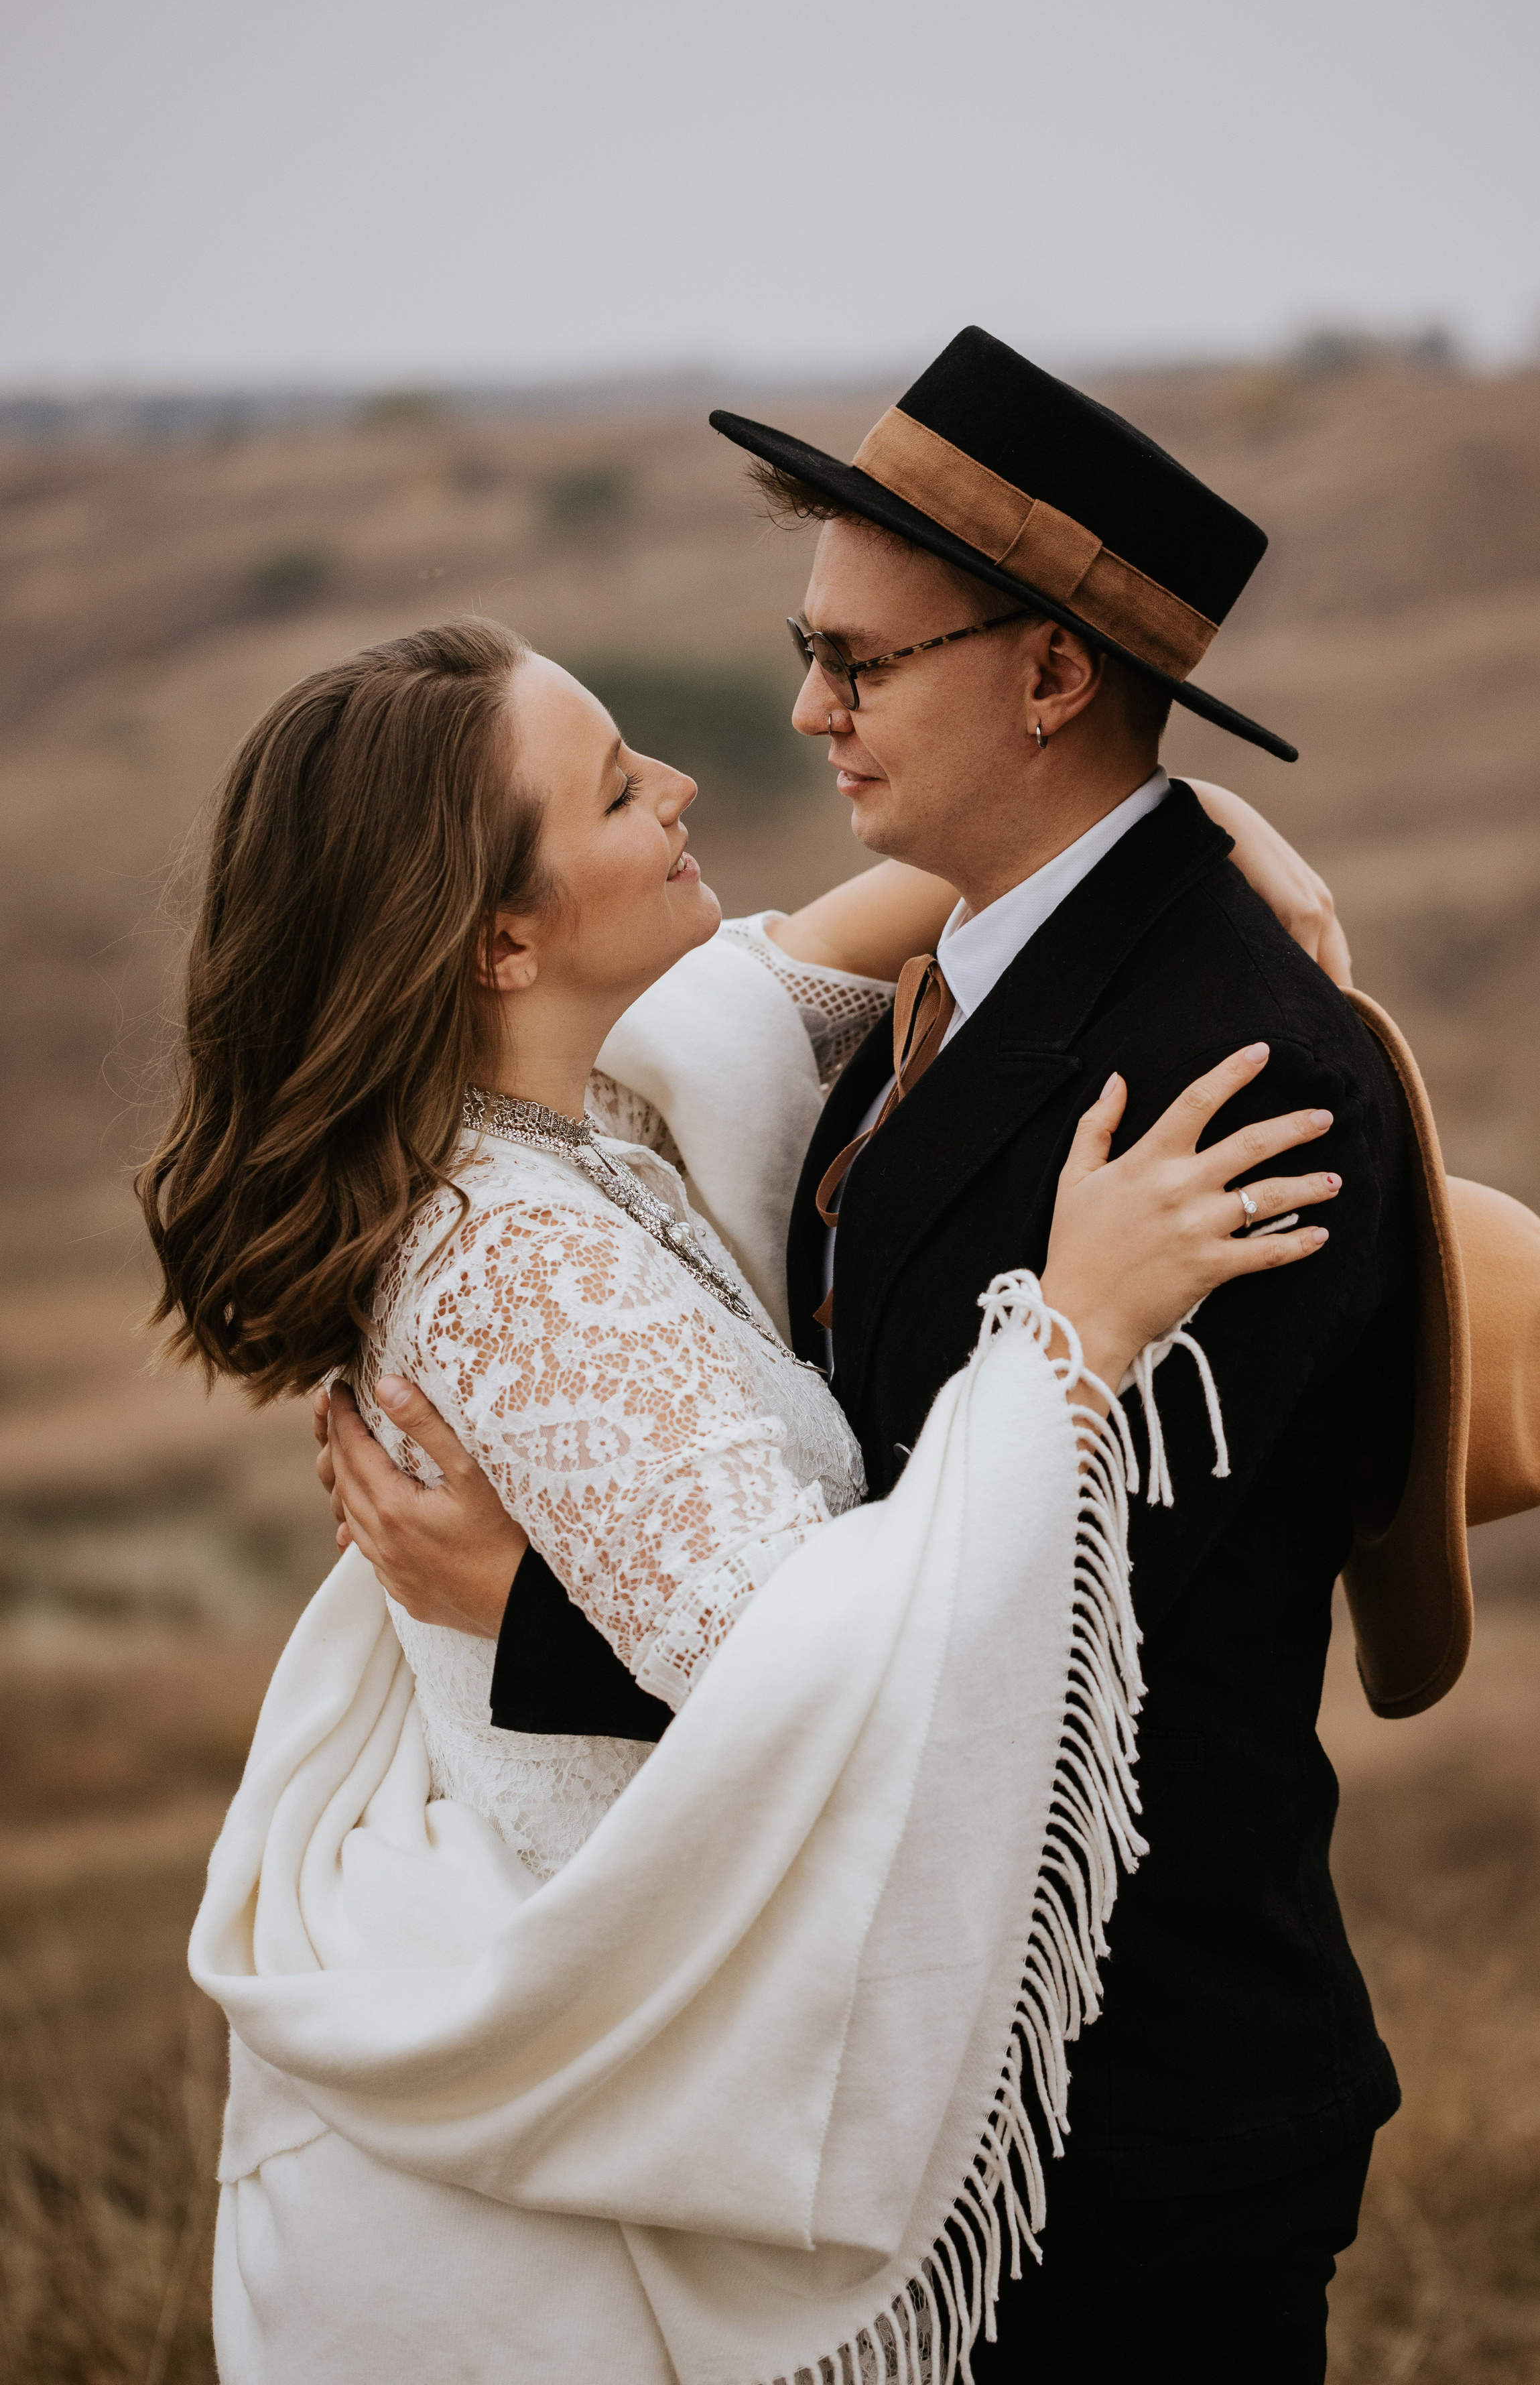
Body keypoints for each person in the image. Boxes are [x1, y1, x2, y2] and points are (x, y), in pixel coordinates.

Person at [332, 330, 1418, 2382]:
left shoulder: (1227, 1076)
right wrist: (1185, 817)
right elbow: (745, 1019)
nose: (803, 710)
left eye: (862, 662)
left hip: (1133, 2124)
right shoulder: (946, 993)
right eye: (805, 647)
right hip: (921, 2116)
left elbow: (1053, 1639)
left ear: (1050, 676)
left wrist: (534, 1622)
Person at [147, 613, 1342, 2384]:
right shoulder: (512, 1271)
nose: (688, 785)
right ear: (501, 938)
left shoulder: (547, 1122)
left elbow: (802, 966)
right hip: (659, 2046)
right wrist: (1072, 1331)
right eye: (624, 790)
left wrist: (1181, 821)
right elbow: (821, 1680)